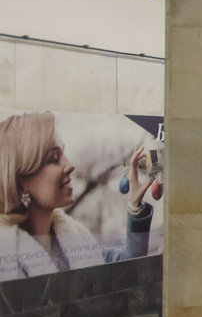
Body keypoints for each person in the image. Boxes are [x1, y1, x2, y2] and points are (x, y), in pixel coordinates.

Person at [0, 112, 155, 280]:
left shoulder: (77, 239)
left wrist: (135, 203)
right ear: (20, 180)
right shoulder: (6, 256)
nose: (69, 165)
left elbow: (129, 268)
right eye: (54, 158)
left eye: (63, 153)